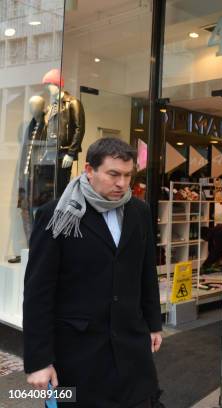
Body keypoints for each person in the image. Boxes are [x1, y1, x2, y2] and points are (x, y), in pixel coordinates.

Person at [23, 137, 163, 407]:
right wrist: (39, 361)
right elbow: (38, 292)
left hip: (131, 344)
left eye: (127, 175)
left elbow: (146, 272)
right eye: (113, 174)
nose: (122, 184)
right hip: (78, 351)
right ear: (89, 170)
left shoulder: (139, 211)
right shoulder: (57, 214)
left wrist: (154, 323)